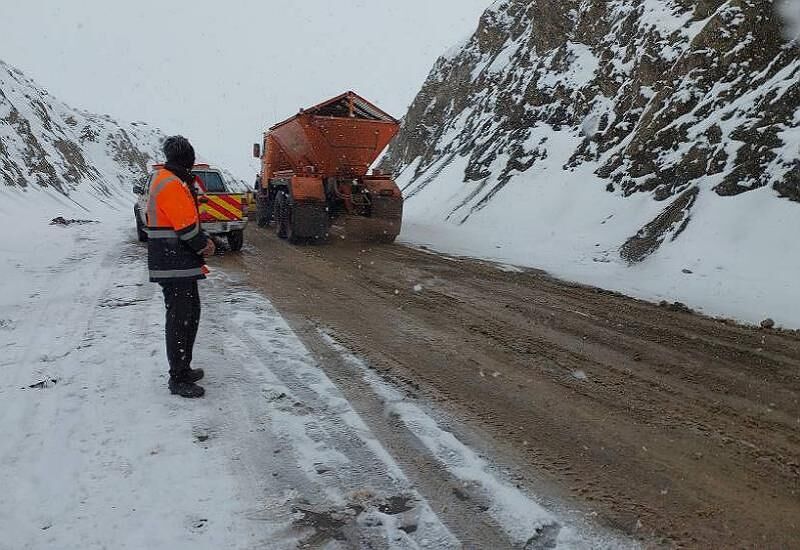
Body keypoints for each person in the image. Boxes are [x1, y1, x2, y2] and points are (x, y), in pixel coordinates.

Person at [145, 136, 215, 398]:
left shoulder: (172, 179)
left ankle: (183, 368)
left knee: (189, 315)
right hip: (173, 261)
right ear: (187, 158)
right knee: (180, 319)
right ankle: (178, 377)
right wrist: (204, 245)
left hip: (177, 262)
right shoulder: (171, 183)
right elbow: (186, 227)